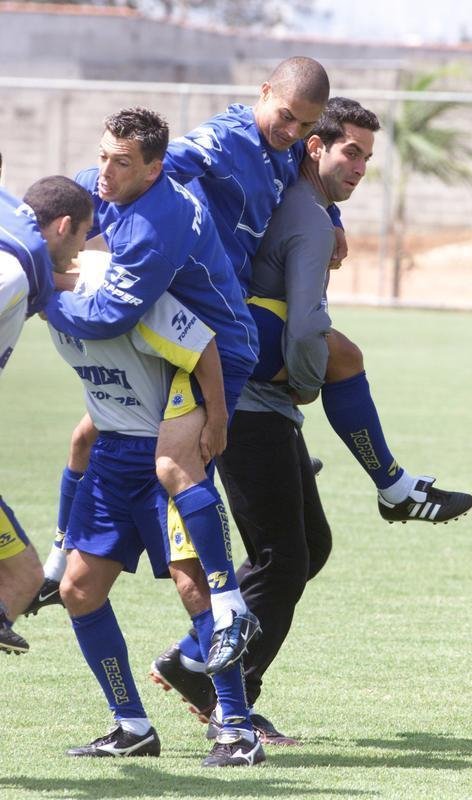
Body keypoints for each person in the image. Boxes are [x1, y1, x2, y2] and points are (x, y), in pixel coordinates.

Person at [151, 98, 472, 740]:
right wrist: (301, 378)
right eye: (349, 151)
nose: (359, 166)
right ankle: (225, 688)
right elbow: (303, 325)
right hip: (244, 397)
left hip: (259, 395)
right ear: (314, 148)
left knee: (307, 548)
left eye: (367, 157)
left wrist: (330, 215)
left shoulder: (297, 194)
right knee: (283, 554)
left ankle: (196, 654)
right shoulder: (302, 211)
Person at [41, 107, 262, 679]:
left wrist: (43, 290)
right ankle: (55, 562)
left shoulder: (154, 224)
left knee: (171, 462)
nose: (105, 175)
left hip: (218, 349)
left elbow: (109, 316)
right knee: (90, 431)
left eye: (121, 163)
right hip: (169, 350)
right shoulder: (112, 183)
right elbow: (57, 213)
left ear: (152, 169)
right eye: (103, 157)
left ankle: (230, 605)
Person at [38, 245, 264, 765]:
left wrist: (215, 420)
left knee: (195, 589)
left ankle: (237, 727)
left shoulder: (118, 287)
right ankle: (132, 724)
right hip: (112, 456)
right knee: (79, 589)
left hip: (164, 450)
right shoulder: (35, 297)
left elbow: (203, 345)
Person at [0, 169, 93, 655]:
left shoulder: (21, 255)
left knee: (24, 576)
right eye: (82, 235)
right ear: (62, 226)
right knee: (22, 576)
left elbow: (57, 280)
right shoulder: (13, 271)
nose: (82, 246)